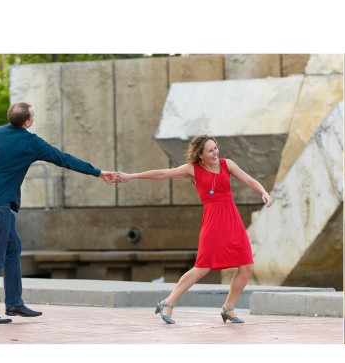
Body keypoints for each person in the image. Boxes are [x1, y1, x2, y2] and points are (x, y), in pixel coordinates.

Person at [0, 102, 117, 324]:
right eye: (32, 116)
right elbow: (64, 159)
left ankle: (14, 303)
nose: (33, 118)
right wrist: (98, 172)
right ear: (27, 122)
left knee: (13, 248)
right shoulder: (31, 142)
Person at [117, 135, 273, 324]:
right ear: (200, 154)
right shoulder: (192, 170)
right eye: (210, 150)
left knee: (246, 266)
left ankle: (228, 308)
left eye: (216, 148)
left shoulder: (227, 164)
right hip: (213, 222)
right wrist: (132, 176)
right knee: (202, 267)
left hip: (232, 221)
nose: (215, 152)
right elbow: (163, 174)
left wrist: (263, 192)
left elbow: (249, 180)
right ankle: (168, 302)